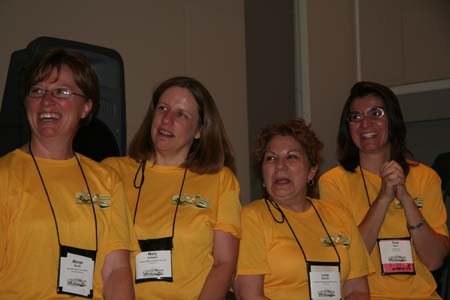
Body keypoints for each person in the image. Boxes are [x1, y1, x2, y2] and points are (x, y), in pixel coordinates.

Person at [0, 48, 137, 299]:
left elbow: (116, 271)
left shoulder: (106, 180)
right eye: (37, 91)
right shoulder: (4, 177)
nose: (46, 101)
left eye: (61, 91)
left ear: (86, 107)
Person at [102, 76, 241, 300]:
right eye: (162, 108)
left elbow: (224, 264)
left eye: (181, 114)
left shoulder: (220, 180)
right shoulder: (111, 172)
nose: (167, 120)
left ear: (199, 130)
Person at [319, 81, 450, 299]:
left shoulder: (426, 177)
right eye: (356, 117)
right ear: (348, 127)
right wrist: (383, 198)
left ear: (393, 120)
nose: (365, 124)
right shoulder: (333, 182)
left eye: (376, 113)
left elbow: (435, 260)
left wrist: (406, 198)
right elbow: (346, 260)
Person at [235, 118, 370, 300]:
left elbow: (357, 290)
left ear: (311, 171)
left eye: (291, 157)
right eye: (271, 158)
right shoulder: (252, 218)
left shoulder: (339, 215)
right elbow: (249, 295)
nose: (280, 166)